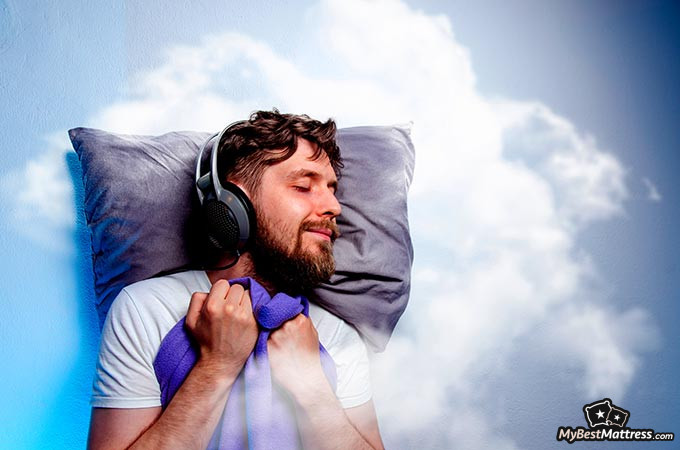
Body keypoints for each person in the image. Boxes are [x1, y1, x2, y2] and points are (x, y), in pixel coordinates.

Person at [87, 110, 384, 449]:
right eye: (303, 186)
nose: (333, 205)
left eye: (332, 189)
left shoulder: (336, 335)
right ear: (234, 205)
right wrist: (216, 366)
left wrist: (314, 390)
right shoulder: (146, 309)